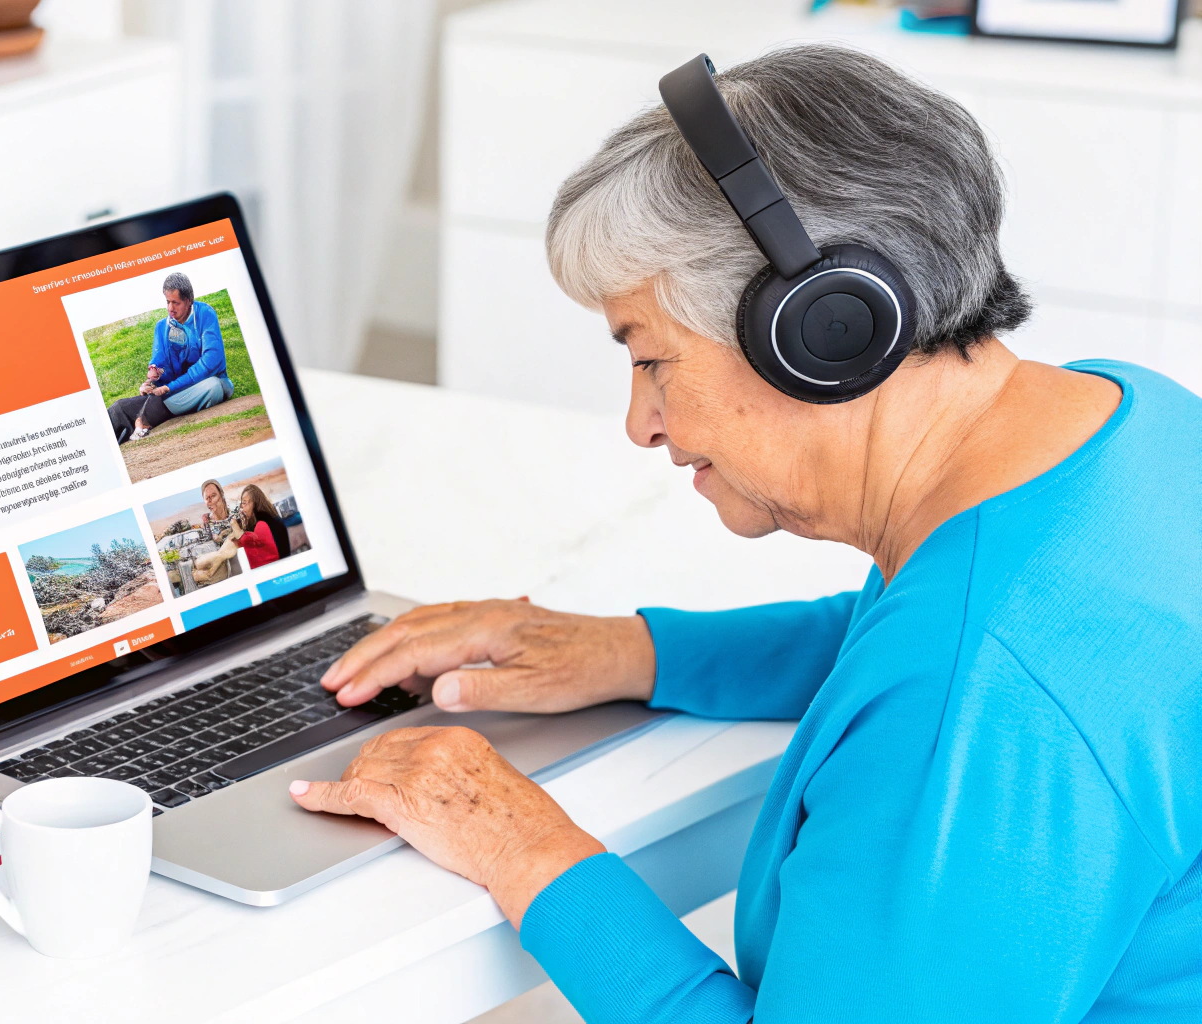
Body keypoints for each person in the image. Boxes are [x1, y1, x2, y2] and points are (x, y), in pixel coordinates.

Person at [292, 44, 1202, 1022]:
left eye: (649, 359)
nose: (638, 422)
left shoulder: (977, 698)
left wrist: (514, 839)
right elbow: (916, 629)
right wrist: (631, 651)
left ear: (820, 331)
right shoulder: (1125, 423)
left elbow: (962, 682)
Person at [107, 272, 233, 444]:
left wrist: (168, 388)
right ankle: (145, 415)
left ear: (189, 300)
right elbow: (160, 360)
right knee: (119, 407)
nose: (170, 308)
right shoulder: (161, 327)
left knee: (214, 386)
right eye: (167, 302)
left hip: (205, 383)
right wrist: (154, 376)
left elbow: (211, 361)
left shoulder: (205, 314)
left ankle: (146, 417)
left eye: (176, 302)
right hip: (175, 393)